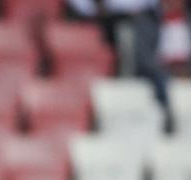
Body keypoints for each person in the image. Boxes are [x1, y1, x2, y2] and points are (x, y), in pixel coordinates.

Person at [68, 0, 174, 131]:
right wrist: (98, 7)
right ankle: (93, 116)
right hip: (107, 21)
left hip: (143, 19)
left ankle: (164, 106)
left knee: (146, 63)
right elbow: (81, 6)